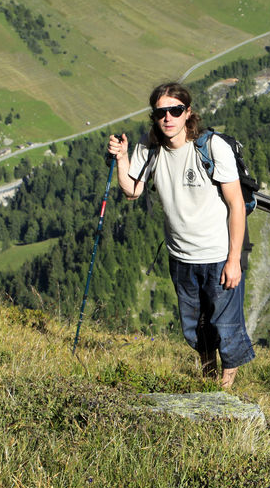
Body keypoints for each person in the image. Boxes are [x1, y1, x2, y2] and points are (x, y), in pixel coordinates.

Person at [107, 82, 254, 390]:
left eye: (175, 110)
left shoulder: (212, 148)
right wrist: (122, 158)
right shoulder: (149, 149)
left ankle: (222, 395)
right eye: (161, 112)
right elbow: (132, 190)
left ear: (188, 113)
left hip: (218, 256)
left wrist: (234, 260)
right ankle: (208, 381)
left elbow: (236, 205)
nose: (168, 118)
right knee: (197, 329)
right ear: (154, 116)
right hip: (181, 258)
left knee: (227, 328)